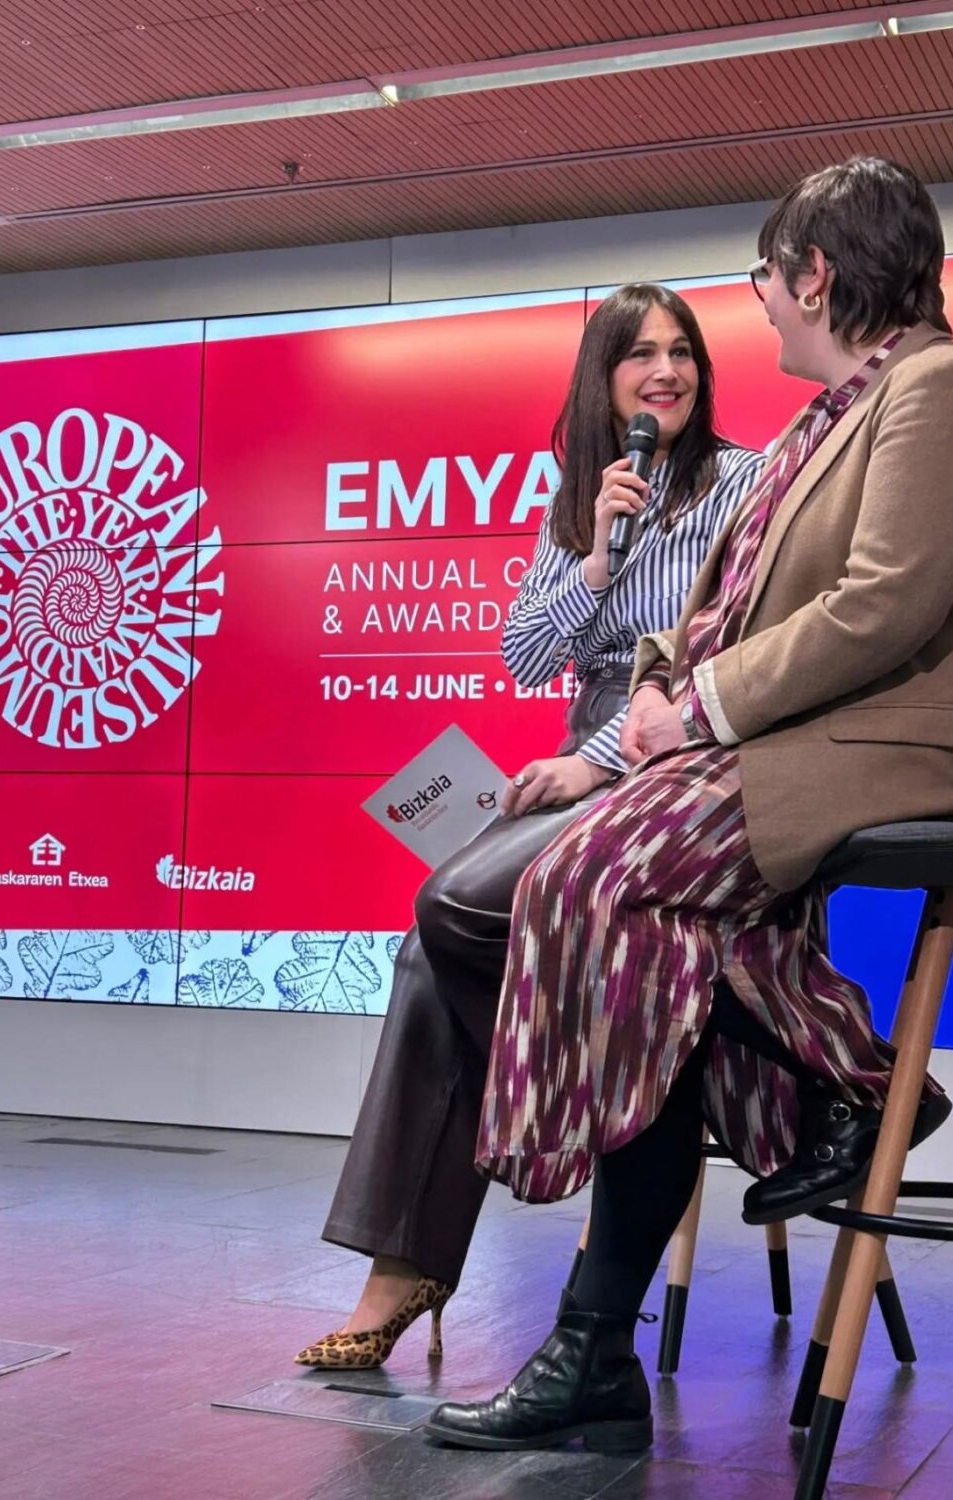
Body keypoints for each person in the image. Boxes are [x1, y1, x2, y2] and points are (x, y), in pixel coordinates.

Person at [426, 155, 953, 1454]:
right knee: (638, 938)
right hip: (786, 737)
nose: (755, 305)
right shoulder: (829, 420)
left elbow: (879, 611)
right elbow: (721, 610)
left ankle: (841, 1085)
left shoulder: (947, 391)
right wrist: (652, 699)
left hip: (888, 746)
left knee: (586, 880)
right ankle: (620, 1323)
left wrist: (694, 708)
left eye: (765, 277)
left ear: (813, 275)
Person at [295, 284, 765, 1369]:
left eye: (681, 352)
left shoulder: (741, 484)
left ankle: (531, 1151)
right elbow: (521, 655)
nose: (666, 372)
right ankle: (412, 1260)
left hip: (678, 753)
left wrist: (593, 761)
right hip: (584, 745)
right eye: (639, 354)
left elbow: (721, 656)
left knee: (447, 925)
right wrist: (597, 558)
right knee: (425, 949)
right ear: (602, 380)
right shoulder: (583, 501)